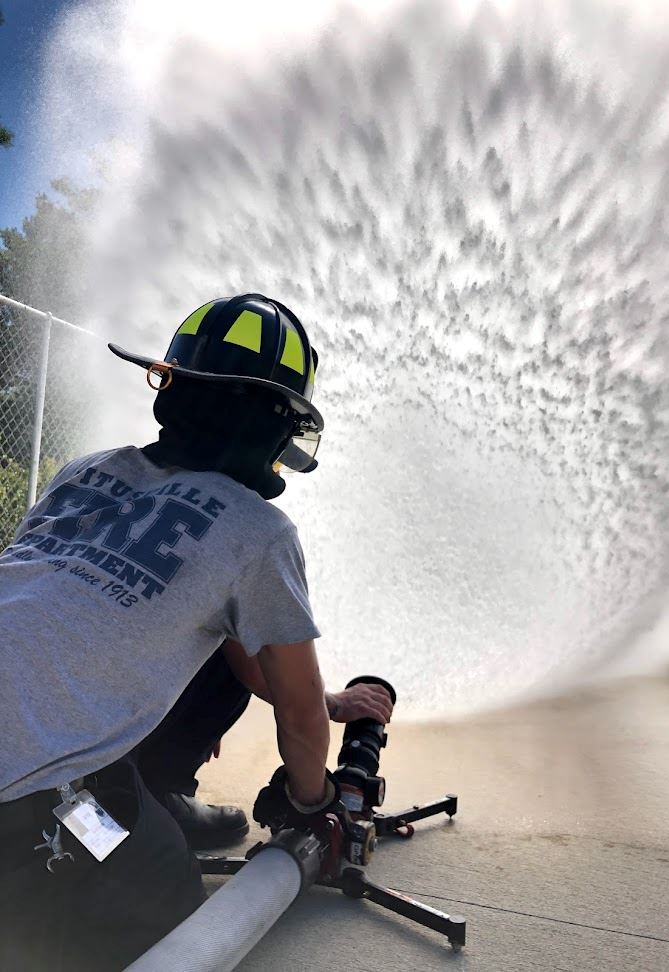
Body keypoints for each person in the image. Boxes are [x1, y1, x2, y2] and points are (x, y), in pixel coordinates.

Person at [0, 293, 394, 971]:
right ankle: (114, 837)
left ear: (171, 387)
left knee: (208, 649)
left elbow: (58, 620)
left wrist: (332, 704)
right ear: (277, 427)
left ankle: (149, 799)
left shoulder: (85, 472)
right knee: (165, 897)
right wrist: (317, 805)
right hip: (28, 805)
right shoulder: (257, 531)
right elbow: (295, 711)